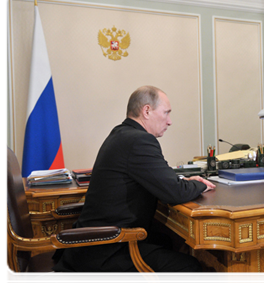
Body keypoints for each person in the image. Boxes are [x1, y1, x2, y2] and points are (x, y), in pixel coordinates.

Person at [53, 86, 215, 283]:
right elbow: (175, 193)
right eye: (166, 113)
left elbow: (163, 180)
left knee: (166, 240)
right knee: (188, 269)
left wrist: (181, 182)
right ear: (146, 111)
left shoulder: (121, 134)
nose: (170, 121)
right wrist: (200, 184)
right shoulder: (139, 140)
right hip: (105, 249)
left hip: (94, 246)